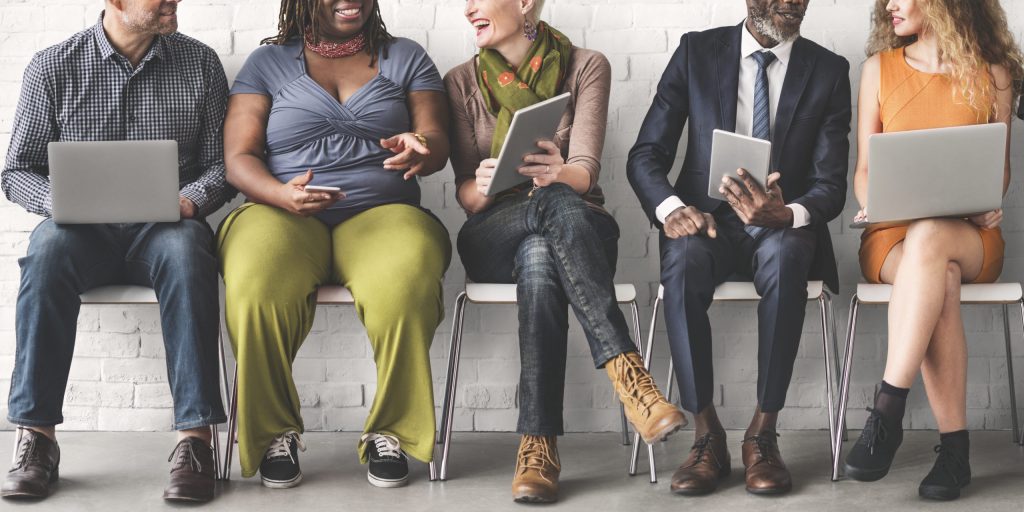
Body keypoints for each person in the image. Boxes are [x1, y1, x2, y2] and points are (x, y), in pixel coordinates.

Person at [446, 0, 686, 503]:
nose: (468, 9)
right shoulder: (461, 81)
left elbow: (585, 171)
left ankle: (537, 447)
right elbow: (465, 196)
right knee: (540, 224)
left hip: (579, 225)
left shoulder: (586, 65)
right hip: (493, 228)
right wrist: (485, 185)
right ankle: (629, 375)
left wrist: (558, 174)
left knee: (540, 251)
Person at [0, 0, 231, 503]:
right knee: (45, 254)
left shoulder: (201, 63)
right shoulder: (53, 66)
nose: (174, 2)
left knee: (190, 254)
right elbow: (16, 169)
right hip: (83, 231)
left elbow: (222, 164)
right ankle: (36, 438)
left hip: (167, 226)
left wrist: (191, 199)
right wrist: (58, 203)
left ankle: (194, 441)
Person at [220, 0, 451, 490]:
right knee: (255, 281)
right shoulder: (268, 64)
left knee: (406, 278)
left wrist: (422, 148)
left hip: (382, 212)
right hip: (280, 209)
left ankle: (391, 432)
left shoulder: (405, 57)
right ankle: (273, 434)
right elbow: (238, 158)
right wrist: (280, 194)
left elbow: (436, 137)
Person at [628, 0, 852, 496]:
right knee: (682, 262)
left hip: (779, 224)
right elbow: (646, 153)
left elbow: (830, 184)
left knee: (788, 253)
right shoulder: (695, 53)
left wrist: (787, 213)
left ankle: (762, 434)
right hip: (707, 221)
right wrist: (672, 209)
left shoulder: (830, 70)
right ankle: (706, 433)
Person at [842, 0, 1022, 501]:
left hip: (970, 236)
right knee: (933, 268)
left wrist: (987, 201)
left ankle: (887, 412)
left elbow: (1000, 169)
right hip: (892, 237)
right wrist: (873, 201)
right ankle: (955, 451)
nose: (889, 5)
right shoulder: (878, 70)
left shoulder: (995, 75)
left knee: (933, 239)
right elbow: (863, 169)